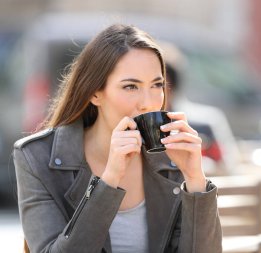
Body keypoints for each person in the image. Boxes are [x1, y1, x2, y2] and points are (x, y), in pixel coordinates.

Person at [13, 24, 222, 253]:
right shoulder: (35, 158)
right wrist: (109, 180)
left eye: (157, 85)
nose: (148, 102)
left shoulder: (170, 157)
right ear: (95, 93)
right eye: (131, 86)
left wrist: (195, 181)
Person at [161, 42, 240, 174]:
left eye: (158, 84)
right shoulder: (136, 126)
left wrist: (198, 165)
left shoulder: (206, 122)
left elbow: (226, 167)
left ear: (171, 85)